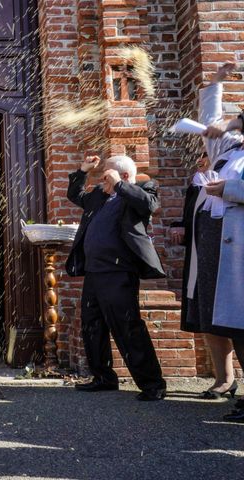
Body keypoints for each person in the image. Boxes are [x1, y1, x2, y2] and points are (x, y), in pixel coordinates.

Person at [65, 154, 168, 401]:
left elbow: (149, 205)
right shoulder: (100, 197)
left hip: (118, 271)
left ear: (122, 176)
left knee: (127, 326)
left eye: (106, 176)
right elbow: (75, 195)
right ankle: (103, 377)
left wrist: (121, 186)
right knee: (92, 325)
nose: (101, 180)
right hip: (94, 271)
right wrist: (82, 170)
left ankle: (152, 384)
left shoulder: (142, 189)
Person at [188, 62, 244, 422]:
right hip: (210, 237)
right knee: (210, 311)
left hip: (238, 245)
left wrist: (230, 189)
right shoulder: (228, 147)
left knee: (238, 318)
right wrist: (218, 82)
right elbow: (210, 119)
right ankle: (225, 380)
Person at [169, 150, 240, 400]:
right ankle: (224, 379)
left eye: (204, 156)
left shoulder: (232, 179)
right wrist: (180, 226)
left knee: (233, 322)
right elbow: (190, 215)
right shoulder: (199, 184)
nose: (199, 161)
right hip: (202, 261)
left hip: (229, 261)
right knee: (208, 319)